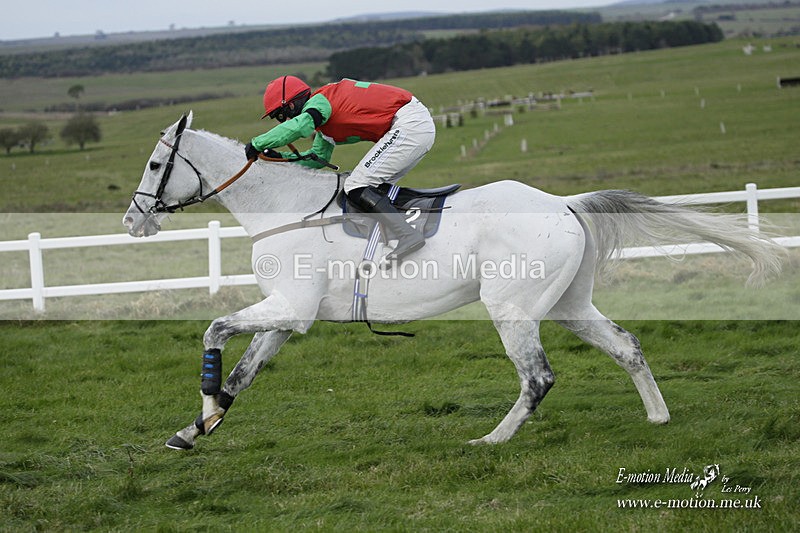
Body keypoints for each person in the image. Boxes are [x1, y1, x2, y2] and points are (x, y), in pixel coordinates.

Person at [245, 76, 436, 263]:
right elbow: (318, 159)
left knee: (355, 185)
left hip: (409, 125)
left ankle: (408, 235)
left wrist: (257, 143)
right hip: (413, 125)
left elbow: (300, 126)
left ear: (291, 105)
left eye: (280, 115)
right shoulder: (324, 121)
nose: (281, 122)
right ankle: (392, 237)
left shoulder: (321, 103)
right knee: (372, 189)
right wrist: (282, 159)